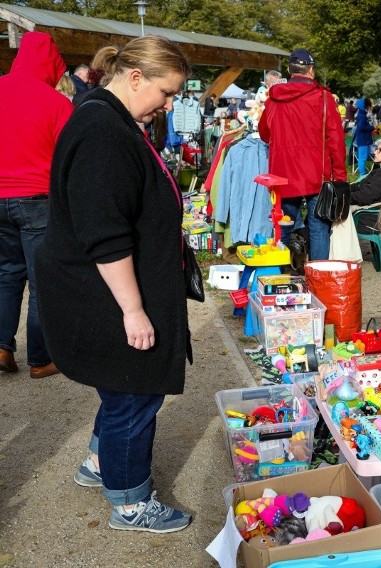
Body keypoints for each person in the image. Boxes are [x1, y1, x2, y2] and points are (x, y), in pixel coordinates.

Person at [36, 35, 193, 533]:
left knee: (120, 387)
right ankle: (129, 502)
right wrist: (133, 309)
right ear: (135, 78)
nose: (169, 105)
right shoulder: (103, 131)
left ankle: (101, 463)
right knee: (135, 391)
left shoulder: (110, 119)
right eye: (166, 93)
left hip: (105, 288)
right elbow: (105, 233)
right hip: (106, 294)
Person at [0, 31, 72, 379]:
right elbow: (68, 159)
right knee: (41, 279)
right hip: (36, 200)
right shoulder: (57, 103)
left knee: (7, 274)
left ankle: (1, 345)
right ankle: (41, 359)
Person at [259, 48, 346, 261]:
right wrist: (340, 176)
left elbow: (264, 133)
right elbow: (335, 139)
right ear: (311, 70)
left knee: (284, 225)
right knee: (319, 228)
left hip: (284, 173)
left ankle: (283, 273)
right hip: (317, 173)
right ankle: (318, 280)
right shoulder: (323, 98)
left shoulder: (274, 99)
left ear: (289, 70)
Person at [353, 97, 375, 177]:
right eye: (369, 106)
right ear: (366, 106)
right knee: (363, 157)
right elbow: (361, 127)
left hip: (363, 139)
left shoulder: (361, 114)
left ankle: (362, 172)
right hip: (363, 140)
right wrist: (371, 127)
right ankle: (362, 174)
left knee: (362, 156)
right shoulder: (362, 115)